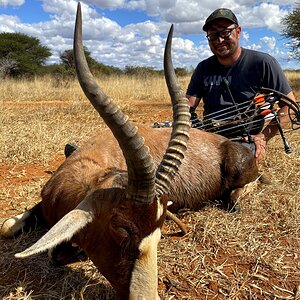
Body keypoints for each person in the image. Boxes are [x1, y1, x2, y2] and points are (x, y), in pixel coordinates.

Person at [186, 8, 297, 163]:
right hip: (209, 137)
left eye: (225, 33)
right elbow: (187, 106)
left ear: (238, 32)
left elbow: (289, 106)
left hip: (245, 139)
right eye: (212, 36)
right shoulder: (203, 67)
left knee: (236, 165)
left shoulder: (263, 63)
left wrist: (262, 137)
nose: (219, 40)